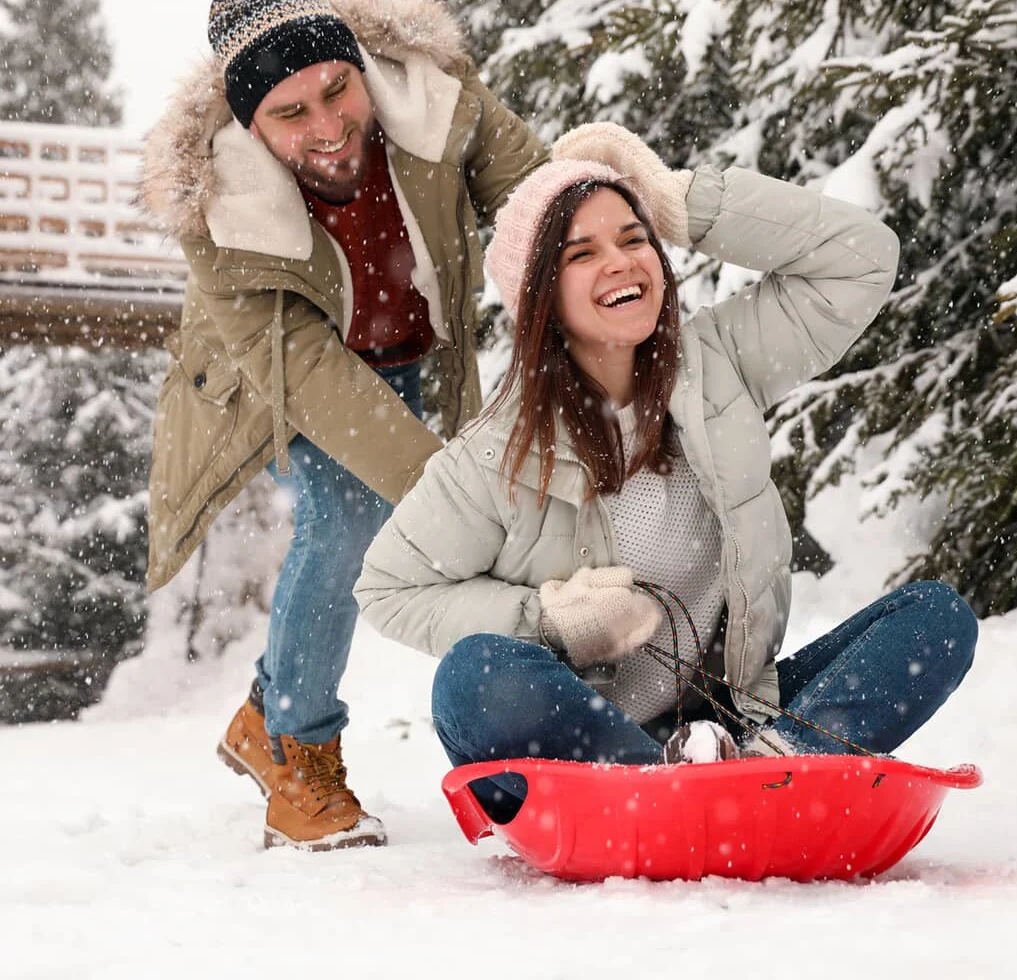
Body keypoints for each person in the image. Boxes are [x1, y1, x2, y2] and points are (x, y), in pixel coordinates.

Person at [354, 122, 978, 822]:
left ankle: (770, 768)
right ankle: (669, 790)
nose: (620, 262)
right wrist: (549, 621)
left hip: (736, 732)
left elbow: (861, 260)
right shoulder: (495, 453)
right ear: (541, 298)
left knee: (936, 619)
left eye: (633, 237)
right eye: (581, 253)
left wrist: (679, 202)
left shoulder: (719, 363)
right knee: (473, 680)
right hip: (584, 755)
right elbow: (388, 589)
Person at [140, 0, 547, 850]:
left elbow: (534, 199)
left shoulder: (440, 105)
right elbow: (315, 380)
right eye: (290, 113)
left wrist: (595, 270)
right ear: (250, 128)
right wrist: (453, 496)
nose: (327, 127)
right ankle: (293, 741)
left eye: (337, 88)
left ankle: (264, 711)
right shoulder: (220, 216)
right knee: (352, 521)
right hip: (291, 374)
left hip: (417, 348)